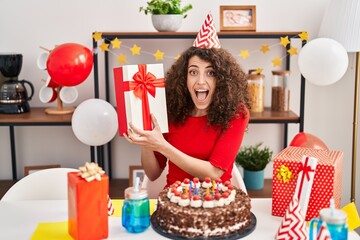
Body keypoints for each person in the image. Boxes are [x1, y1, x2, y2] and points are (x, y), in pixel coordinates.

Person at [124, 14, 251, 187]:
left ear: (222, 79)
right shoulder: (172, 109)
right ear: (184, 78)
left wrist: (163, 146)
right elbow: (153, 174)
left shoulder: (237, 112)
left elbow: (214, 173)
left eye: (210, 73)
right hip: (173, 202)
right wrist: (147, 141)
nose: (200, 81)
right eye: (193, 72)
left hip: (216, 201)